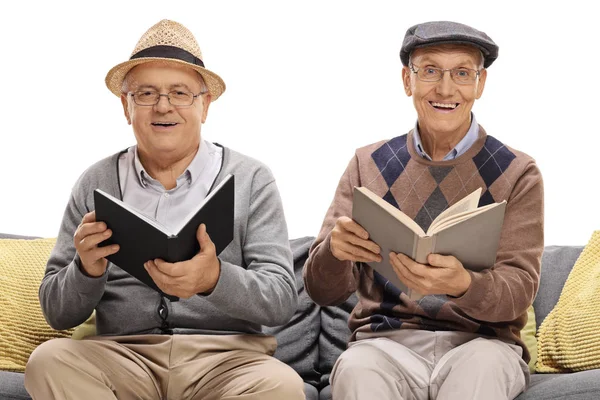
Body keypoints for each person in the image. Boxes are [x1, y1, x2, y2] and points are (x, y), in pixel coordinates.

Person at [24, 19, 304, 400]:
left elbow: (281, 299)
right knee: (48, 361)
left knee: (282, 386)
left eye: (180, 93)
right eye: (146, 93)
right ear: (126, 106)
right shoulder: (96, 181)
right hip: (122, 358)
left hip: (225, 362)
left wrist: (214, 279)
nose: (163, 106)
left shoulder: (251, 179)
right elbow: (57, 312)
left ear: (204, 105)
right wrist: (85, 270)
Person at [304, 21, 543, 400]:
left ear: (480, 84)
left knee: (481, 369)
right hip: (385, 345)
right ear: (407, 80)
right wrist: (334, 252)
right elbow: (320, 289)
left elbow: (519, 291)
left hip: (481, 345)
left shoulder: (518, 171)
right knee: (355, 369)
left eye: (462, 73)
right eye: (430, 70)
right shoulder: (367, 164)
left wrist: (464, 284)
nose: (446, 89)